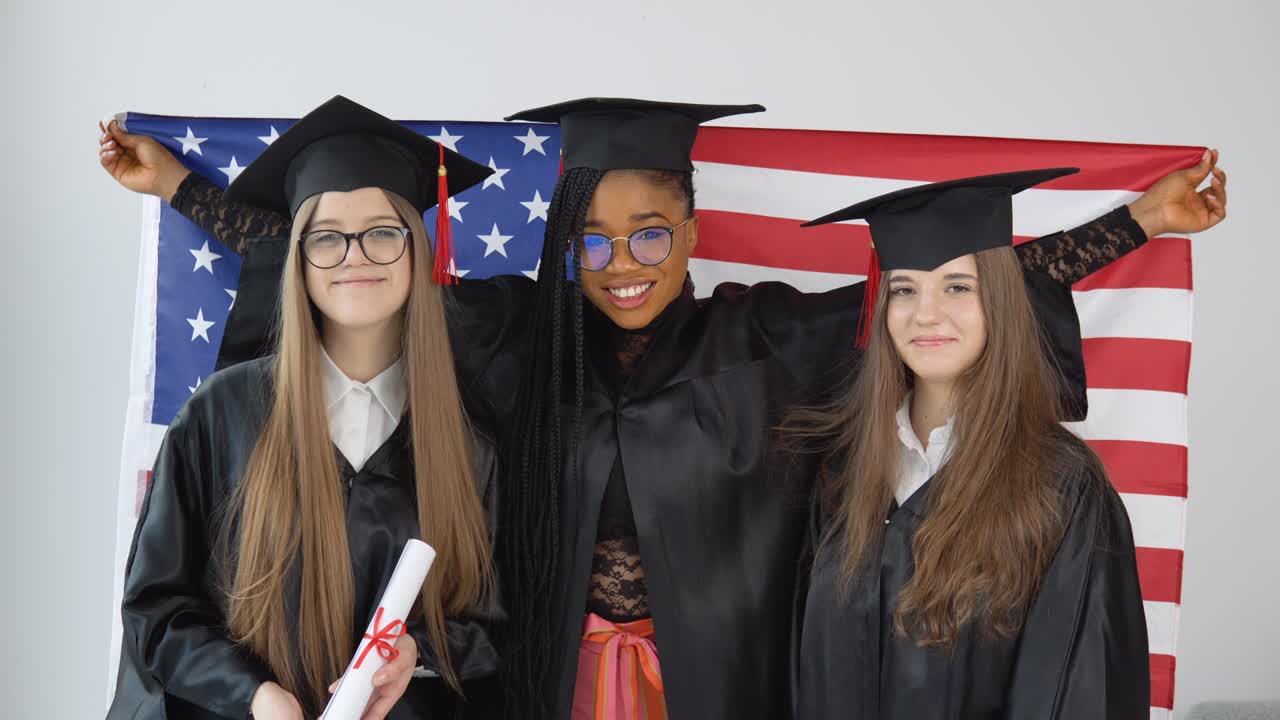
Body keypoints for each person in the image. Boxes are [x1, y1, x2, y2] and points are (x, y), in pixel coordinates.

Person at [99, 98, 1225, 719]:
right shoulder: (509, 338)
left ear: (690, 228)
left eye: (649, 233)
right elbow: (351, 263)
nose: (622, 263)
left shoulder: (765, 341)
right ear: (563, 244)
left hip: (719, 689)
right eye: (592, 240)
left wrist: (1136, 224)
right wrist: (185, 191)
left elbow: (938, 293)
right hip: (541, 686)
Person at [105, 96, 501, 720]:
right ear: (298, 259)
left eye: (382, 232)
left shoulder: (465, 438)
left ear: (417, 249)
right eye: (327, 237)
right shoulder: (222, 415)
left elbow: (487, 622)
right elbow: (158, 610)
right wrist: (257, 696)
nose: (355, 255)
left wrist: (415, 651)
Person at [787, 168, 1211, 718]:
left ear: (1003, 301)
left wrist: (1143, 219)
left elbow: (1078, 690)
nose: (926, 313)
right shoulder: (845, 475)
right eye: (905, 289)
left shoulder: (1059, 485)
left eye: (958, 287)